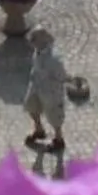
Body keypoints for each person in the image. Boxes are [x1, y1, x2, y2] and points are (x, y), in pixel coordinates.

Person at [23, 27, 68, 155]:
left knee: (54, 115)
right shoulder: (37, 51)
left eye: (34, 40)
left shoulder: (54, 59)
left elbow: (61, 76)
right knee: (31, 106)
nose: (31, 43)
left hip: (51, 91)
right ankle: (39, 130)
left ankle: (59, 140)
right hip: (36, 87)